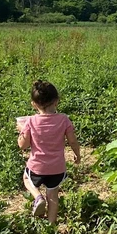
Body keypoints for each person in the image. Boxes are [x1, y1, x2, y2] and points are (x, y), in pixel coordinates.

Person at [17, 80, 81, 223]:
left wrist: (22, 131)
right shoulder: (64, 119)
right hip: (57, 168)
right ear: (57, 101)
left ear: (34, 104)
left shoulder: (31, 121)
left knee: (27, 179)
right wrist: (78, 154)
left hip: (37, 167)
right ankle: (51, 225)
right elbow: (73, 141)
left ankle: (38, 197)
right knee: (53, 194)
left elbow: (23, 145)